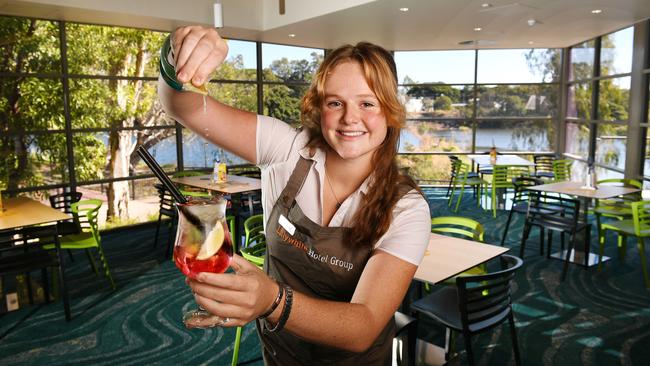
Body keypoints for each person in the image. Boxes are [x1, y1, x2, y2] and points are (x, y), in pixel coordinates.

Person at [159, 26, 431, 365]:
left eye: (367, 103)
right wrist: (176, 56)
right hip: (280, 356)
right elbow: (180, 105)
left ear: (390, 112)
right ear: (319, 108)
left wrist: (272, 301)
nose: (350, 118)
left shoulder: (406, 208)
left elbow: (363, 327)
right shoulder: (287, 149)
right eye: (336, 102)